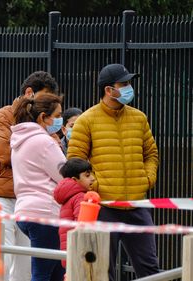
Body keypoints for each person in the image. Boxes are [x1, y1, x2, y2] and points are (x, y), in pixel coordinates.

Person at [67, 63, 159, 280]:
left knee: (150, 270)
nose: (129, 88)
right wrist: (97, 186)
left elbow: (151, 154)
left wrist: (147, 179)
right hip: (103, 208)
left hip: (138, 205)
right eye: (124, 84)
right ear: (109, 90)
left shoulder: (139, 118)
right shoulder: (86, 120)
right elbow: (75, 163)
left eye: (129, 83)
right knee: (101, 270)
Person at [0, 71, 58, 281]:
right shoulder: (2, 116)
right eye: (44, 98)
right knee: (2, 257)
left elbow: (54, 152)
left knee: (25, 263)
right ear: (30, 93)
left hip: (31, 200)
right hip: (3, 195)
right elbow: (3, 153)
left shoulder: (43, 122)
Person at [10, 93, 65, 281]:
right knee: (42, 273)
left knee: (55, 271)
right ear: (43, 117)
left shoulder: (19, 140)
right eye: (57, 116)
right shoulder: (44, 142)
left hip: (25, 210)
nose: (60, 120)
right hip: (45, 212)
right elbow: (64, 176)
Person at [53, 158, 95, 267]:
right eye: (87, 175)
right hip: (79, 251)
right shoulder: (80, 197)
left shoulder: (68, 196)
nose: (93, 178)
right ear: (75, 179)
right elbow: (82, 225)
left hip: (69, 249)